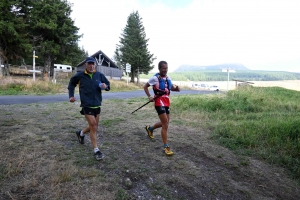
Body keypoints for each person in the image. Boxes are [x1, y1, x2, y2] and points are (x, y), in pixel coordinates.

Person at [68, 57, 110, 160]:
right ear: (85, 65)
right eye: (89, 64)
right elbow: (71, 84)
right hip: (86, 104)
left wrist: (106, 87)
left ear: (95, 65)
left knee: (94, 126)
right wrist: (71, 95)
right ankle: (96, 150)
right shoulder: (80, 75)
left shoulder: (99, 75)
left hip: (97, 104)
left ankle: (81, 133)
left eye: (93, 64)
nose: (91, 66)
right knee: (94, 126)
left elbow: (108, 85)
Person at [143, 61, 180, 156]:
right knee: (165, 125)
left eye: (166, 68)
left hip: (166, 101)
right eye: (163, 68)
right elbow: (145, 87)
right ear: (159, 68)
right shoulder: (155, 78)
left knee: (166, 122)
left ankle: (150, 129)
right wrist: (149, 97)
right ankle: (166, 146)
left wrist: (176, 89)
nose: (165, 70)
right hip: (159, 102)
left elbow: (170, 87)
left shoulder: (168, 78)